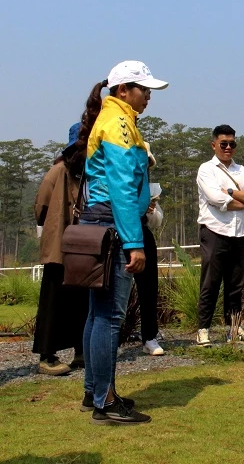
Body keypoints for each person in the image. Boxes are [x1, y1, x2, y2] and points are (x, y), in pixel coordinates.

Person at [80, 60, 168, 424]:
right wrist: (134, 242)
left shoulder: (117, 119)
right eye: (143, 88)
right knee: (110, 316)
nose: (148, 95)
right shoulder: (118, 124)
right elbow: (120, 187)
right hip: (113, 226)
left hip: (100, 222)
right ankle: (104, 400)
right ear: (123, 91)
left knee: (97, 313)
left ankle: (94, 391)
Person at [196, 125, 244, 346]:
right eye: (223, 143)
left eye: (232, 143)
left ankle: (232, 328)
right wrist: (243, 201)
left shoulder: (242, 171)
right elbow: (216, 199)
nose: (228, 147)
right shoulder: (206, 169)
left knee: (236, 284)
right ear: (213, 144)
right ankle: (203, 329)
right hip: (215, 231)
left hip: (240, 233)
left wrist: (232, 193)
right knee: (210, 283)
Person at [32, 123, 89, 375]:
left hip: (82, 247)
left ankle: (80, 351)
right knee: (53, 300)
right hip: (58, 247)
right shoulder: (58, 171)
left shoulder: (86, 173)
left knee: (81, 300)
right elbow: (40, 208)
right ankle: (47, 356)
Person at [137, 144, 164, 356]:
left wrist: (151, 211)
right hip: (118, 233)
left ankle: (149, 336)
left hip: (142, 232)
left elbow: (156, 222)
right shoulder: (118, 178)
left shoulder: (148, 185)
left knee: (148, 287)